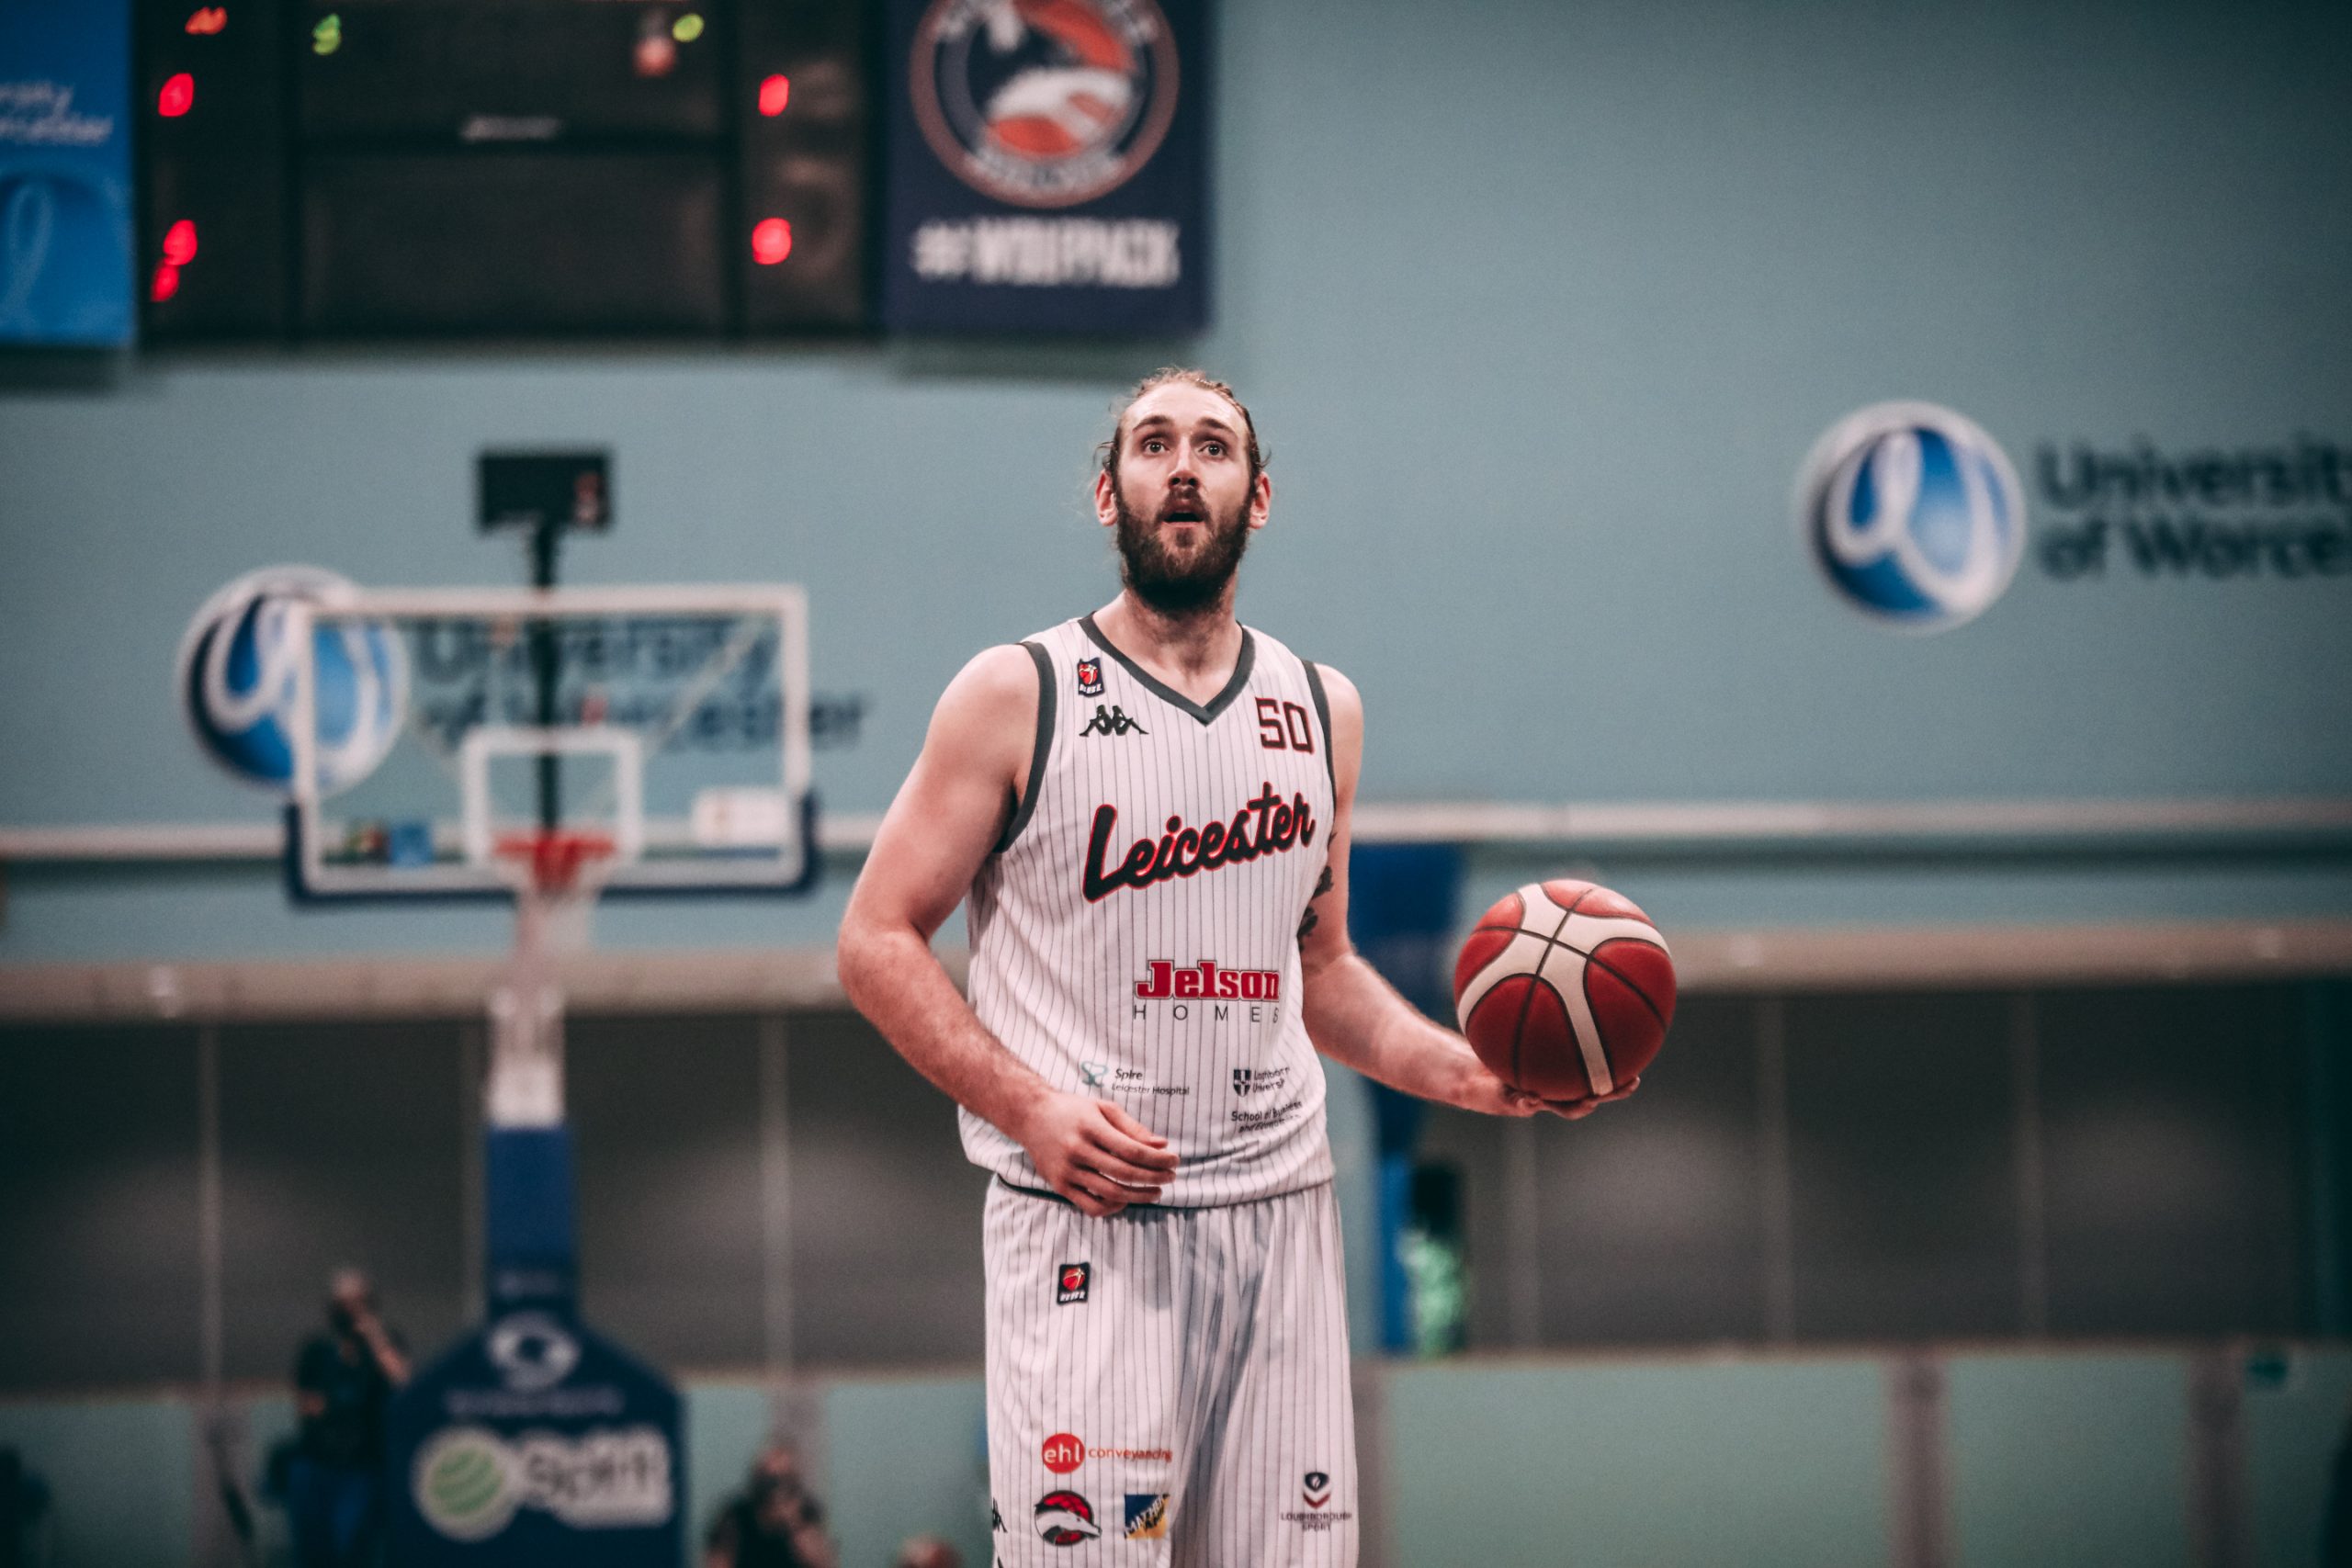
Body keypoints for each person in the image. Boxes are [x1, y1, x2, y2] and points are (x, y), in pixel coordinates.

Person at [838, 368, 1637, 1565]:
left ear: (1255, 497)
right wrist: (1030, 1104)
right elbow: (874, 937)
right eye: (1152, 443)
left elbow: (1322, 972)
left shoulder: (1322, 710)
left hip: (1279, 1218)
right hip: (1086, 1221)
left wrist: (1471, 1072)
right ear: (1109, 490)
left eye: (1212, 446)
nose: (1181, 464)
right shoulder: (1017, 693)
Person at [287, 1269, 408, 1568]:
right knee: (316, 1550)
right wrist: (350, 1408)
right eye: (344, 1303)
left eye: (358, 1302)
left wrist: (375, 1337)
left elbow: (403, 1381)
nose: (351, 1310)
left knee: (354, 1545)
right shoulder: (317, 1350)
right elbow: (309, 1405)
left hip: (365, 1465)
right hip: (318, 1462)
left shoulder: (384, 1346)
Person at [705, 1443, 836, 1568]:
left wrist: (794, 1522)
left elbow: (821, 1562)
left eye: (784, 1478)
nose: (776, 1488)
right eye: (770, 1479)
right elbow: (718, 1560)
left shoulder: (805, 1513)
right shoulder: (736, 1516)